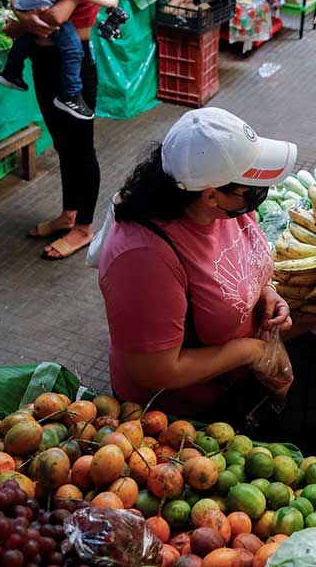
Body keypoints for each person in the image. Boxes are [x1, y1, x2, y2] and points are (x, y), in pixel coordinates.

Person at [94, 109, 297, 419]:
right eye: (252, 189)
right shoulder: (142, 256)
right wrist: (250, 352)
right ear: (211, 195)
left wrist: (263, 293)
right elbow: (158, 372)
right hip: (177, 419)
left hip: (232, 390)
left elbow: (237, 261)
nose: (259, 196)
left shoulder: (232, 209)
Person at [9, 0, 110, 260]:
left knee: (81, 146)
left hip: (74, 63)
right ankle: (69, 215)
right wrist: (21, 16)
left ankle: (84, 226)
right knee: (63, 143)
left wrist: (19, 21)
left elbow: (56, 15)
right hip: (44, 58)